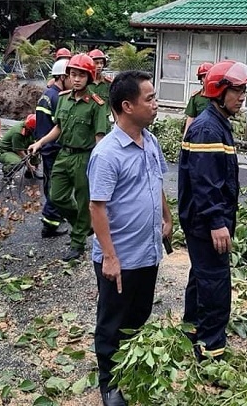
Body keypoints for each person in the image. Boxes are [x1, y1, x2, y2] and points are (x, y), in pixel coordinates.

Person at [88, 70, 173, 406]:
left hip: (147, 252)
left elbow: (157, 181)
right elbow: (97, 208)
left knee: (138, 316)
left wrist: (167, 216)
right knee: (112, 322)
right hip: (119, 257)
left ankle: (131, 367)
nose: (156, 104)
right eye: (149, 98)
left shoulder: (149, 140)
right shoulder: (107, 154)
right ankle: (110, 385)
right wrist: (109, 256)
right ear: (127, 105)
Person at [178, 60, 247, 361]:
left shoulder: (216, 124)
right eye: (236, 90)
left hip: (206, 220)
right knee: (215, 284)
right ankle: (212, 351)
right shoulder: (208, 129)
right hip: (205, 221)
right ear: (218, 91)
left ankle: (192, 329)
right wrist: (216, 221)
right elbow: (205, 182)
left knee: (201, 277)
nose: (241, 97)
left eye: (243, 92)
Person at [28, 54, 108, 261]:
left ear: (89, 77)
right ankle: (83, 224)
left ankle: (77, 242)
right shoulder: (63, 98)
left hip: (84, 157)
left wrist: (100, 164)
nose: (77, 79)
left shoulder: (97, 104)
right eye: (73, 74)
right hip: (63, 155)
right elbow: (58, 127)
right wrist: (39, 142)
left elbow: (100, 137)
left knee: (83, 202)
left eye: (82, 75)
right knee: (56, 196)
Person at [35, 58, 70, 238]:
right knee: (57, 187)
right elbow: (61, 127)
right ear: (63, 77)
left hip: (46, 147)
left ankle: (55, 216)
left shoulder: (47, 94)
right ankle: (50, 224)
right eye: (71, 76)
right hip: (54, 148)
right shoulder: (58, 98)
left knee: (51, 184)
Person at [0, 114, 40, 178]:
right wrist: (29, 165)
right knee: (18, 162)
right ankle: (7, 170)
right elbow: (20, 152)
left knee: (36, 148)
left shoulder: (30, 130)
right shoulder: (18, 133)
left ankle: (31, 172)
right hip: (6, 151)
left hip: (21, 147)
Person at [184, 62, 213, 136]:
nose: (206, 79)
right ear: (201, 79)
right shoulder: (196, 97)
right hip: (199, 133)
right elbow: (191, 118)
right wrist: (186, 136)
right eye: (204, 77)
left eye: (208, 76)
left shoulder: (219, 97)